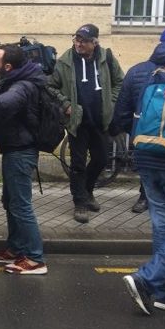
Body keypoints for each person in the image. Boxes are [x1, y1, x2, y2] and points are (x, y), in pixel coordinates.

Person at [111, 25, 165, 314]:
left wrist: (146, 142)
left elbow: (122, 117)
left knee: (163, 223)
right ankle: (148, 280)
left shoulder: (139, 71)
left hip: (145, 157)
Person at [0, 45, 48, 275]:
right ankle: (17, 247)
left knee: (21, 205)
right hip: (13, 149)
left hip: (21, 151)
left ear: (8, 66)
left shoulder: (23, 85)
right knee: (10, 201)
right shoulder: (15, 78)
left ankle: (35, 258)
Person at [47, 24, 124, 223]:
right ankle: (79, 202)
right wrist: (65, 104)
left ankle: (87, 190)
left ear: (94, 42)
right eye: (76, 39)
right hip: (77, 122)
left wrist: (111, 102)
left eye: (83, 41)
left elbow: (119, 82)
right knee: (78, 165)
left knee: (100, 159)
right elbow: (50, 86)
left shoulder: (106, 57)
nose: (78, 44)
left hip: (100, 120)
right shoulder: (65, 61)